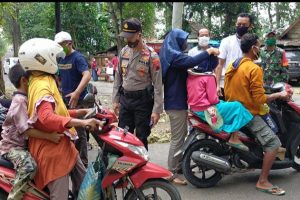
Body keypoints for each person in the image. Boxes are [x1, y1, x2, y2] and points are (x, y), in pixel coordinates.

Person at [18, 38, 103, 200]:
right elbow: (47, 118)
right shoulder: (41, 85)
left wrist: (80, 112)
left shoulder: (43, 79)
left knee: (86, 185)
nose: (57, 60)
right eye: (54, 57)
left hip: (63, 145)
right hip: (52, 153)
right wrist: (83, 123)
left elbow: (56, 112)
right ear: (42, 59)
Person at [224, 33, 292, 196]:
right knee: (273, 144)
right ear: (253, 48)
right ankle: (262, 181)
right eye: (259, 45)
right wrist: (279, 95)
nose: (260, 48)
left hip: (233, 109)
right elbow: (260, 98)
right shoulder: (254, 68)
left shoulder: (234, 64)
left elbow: (228, 90)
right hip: (247, 113)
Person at [159, 28, 220, 185]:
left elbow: (196, 67)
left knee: (181, 135)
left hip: (178, 103)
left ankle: (177, 166)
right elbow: (191, 62)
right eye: (184, 39)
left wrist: (210, 57)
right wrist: (209, 51)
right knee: (177, 138)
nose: (186, 42)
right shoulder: (175, 57)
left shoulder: (173, 55)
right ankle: (171, 172)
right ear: (177, 41)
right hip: (176, 104)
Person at [0, 64, 63, 200]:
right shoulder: (19, 102)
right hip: (12, 148)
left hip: (22, 146)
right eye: (33, 79)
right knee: (30, 167)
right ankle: (14, 197)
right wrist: (49, 137)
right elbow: (26, 131)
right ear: (24, 80)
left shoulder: (27, 98)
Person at [112, 18, 163, 150]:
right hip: (126, 100)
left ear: (139, 34)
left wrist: (156, 111)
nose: (127, 40)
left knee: (141, 137)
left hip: (143, 102)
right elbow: (118, 77)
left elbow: (158, 85)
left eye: (130, 37)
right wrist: (115, 100)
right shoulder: (124, 52)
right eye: (125, 37)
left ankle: (142, 168)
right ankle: (126, 169)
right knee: (123, 135)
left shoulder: (152, 56)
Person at [186, 53, 253, 151]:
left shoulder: (191, 75)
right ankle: (234, 138)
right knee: (238, 106)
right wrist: (218, 98)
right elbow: (213, 100)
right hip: (207, 109)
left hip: (194, 109)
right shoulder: (209, 77)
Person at [54, 31, 91, 168]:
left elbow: (87, 75)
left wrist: (76, 92)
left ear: (69, 44)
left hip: (78, 100)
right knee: (69, 131)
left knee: (80, 132)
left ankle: (83, 163)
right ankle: (72, 159)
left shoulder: (78, 58)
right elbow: (58, 76)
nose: (59, 48)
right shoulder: (60, 59)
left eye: (62, 45)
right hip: (64, 100)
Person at [215, 13, 253, 99]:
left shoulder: (253, 43)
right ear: (235, 24)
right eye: (239, 24)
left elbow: (256, 64)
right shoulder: (226, 41)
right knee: (227, 110)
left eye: (244, 25)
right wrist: (217, 85)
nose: (241, 26)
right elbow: (219, 65)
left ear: (250, 26)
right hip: (225, 84)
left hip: (245, 86)